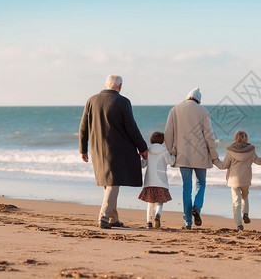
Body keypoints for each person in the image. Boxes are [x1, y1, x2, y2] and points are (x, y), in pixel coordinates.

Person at [79, 75, 148, 229]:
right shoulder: (123, 102)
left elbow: (83, 127)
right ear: (120, 86)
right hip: (116, 150)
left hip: (97, 149)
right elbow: (131, 128)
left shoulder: (91, 100)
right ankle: (103, 217)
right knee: (112, 183)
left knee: (108, 183)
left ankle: (113, 218)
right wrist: (143, 148)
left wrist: (83, 149)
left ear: (105, 85)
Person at [164, 88, 219, 229]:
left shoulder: (174, 110)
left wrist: (171, 151)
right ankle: (197, 207)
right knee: (201, 184)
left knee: (186, 187)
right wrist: (214, 155)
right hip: (201, 155)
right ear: (198, 100)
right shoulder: (203, 111)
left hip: (183, 155)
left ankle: (187, 222)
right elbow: (209, 135)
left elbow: (168, 133)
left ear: (187, 97)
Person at [214, 130, 261, 230]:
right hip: (245, 179)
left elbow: (223, 166)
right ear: (246, 138)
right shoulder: (250, 151)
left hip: (234, 180)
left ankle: (239, 225)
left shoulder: (231, 151)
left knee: (236, 202)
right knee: (244, 195)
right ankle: (245, 213)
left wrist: (215, 161)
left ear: (235, 138)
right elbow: (259, 161)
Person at [138, 132, 175, 229]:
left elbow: (143, 165)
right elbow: (171, 162)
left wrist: (139, 157)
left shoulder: (148, 151)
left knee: (150, 203)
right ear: (162, 141)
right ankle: (158, 215)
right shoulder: (165, 151)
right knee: (160, 202)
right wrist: (174, 155)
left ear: (151, 141)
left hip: (149, 181)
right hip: (161, 182)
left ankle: (149, 222)